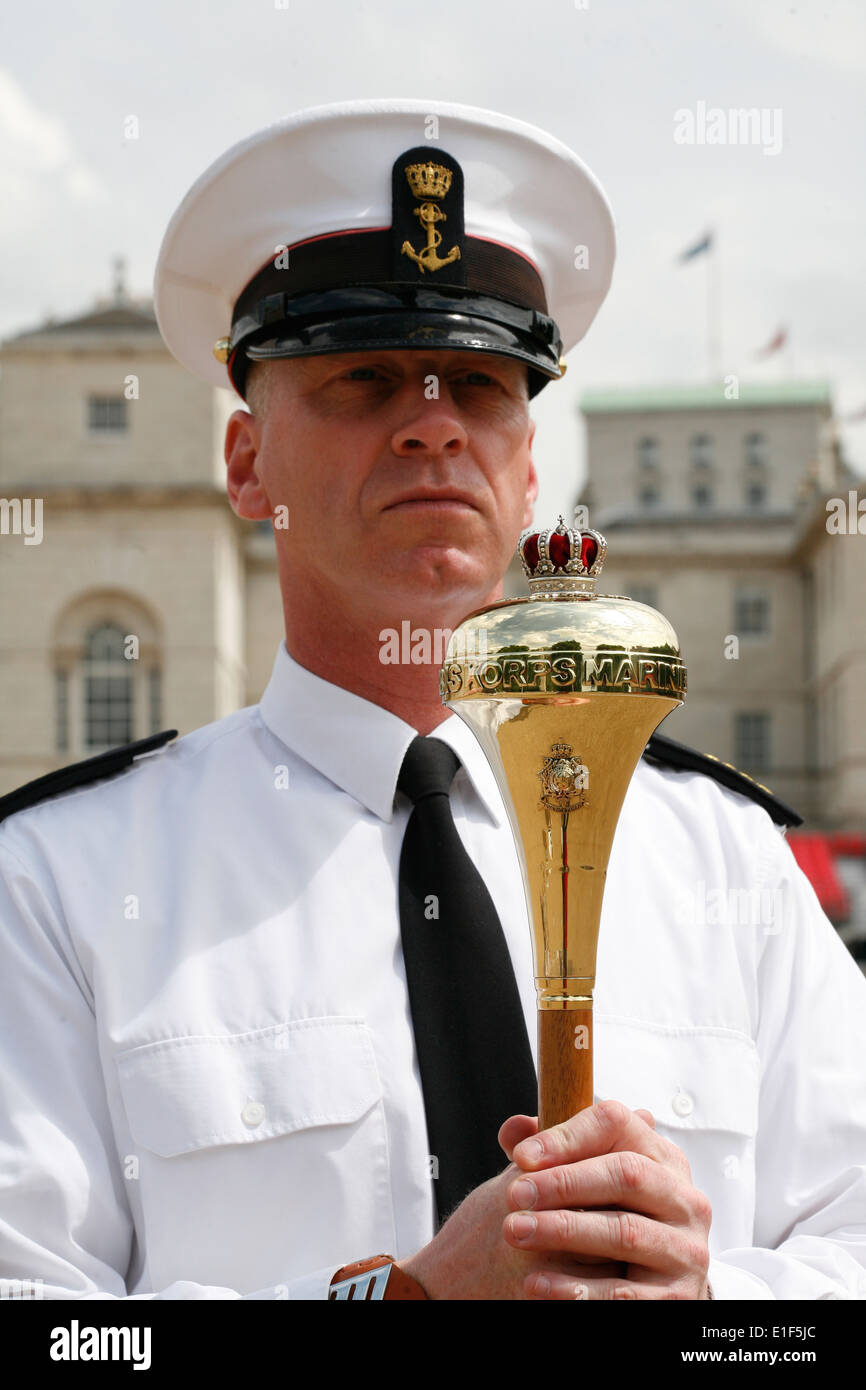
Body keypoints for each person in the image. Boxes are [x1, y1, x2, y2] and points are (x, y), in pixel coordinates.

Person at [1, 98, 865, 1302]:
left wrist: (714, 1308)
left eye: (476, 383)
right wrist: (399, 1304)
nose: (429, 426)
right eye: (362, 381)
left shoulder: (728, 862)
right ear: (246, 463)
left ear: (524, 471)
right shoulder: (56, 884)